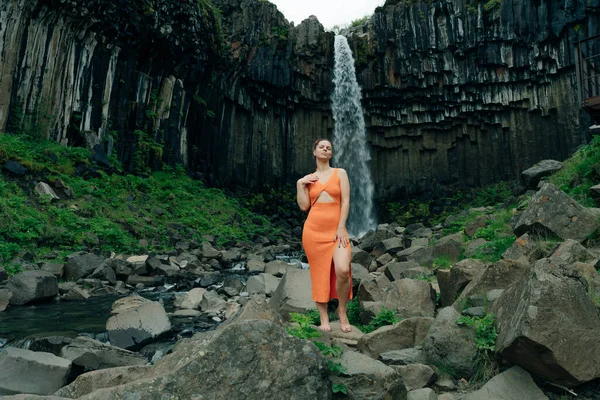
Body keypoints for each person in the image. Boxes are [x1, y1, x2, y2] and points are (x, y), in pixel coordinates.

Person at [296, 138, 353, 333]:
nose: (325, 149)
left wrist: (340, 227)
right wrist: (299, 184)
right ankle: (324, 319)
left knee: (343, 270)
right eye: (322, 147)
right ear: (315, 152)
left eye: (329, 148)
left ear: (331, 154)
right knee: (319, 273)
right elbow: (304, 206)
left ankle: (342, 310)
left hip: (337, 230)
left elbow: (345, 203)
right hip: (313, 231)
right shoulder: (308, 179)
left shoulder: (340, 173)